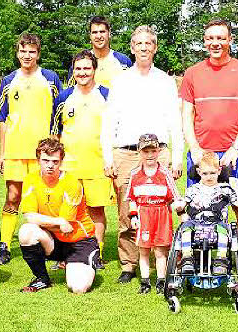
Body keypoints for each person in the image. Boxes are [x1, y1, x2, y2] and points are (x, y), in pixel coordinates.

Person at [100, 25, 184, 284]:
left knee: (161, 208)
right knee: (128, 211)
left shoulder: (165, 81)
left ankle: (164, 260)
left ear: (155, 47)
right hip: (126, 153)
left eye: (149, 44)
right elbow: (109, 121)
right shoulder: (121, 81)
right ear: (132, 48)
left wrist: (177, 156)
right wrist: (107, 157)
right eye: (139, 44)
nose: (144, 48)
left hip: (158, 152)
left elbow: (174, 120)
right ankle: (129, 264)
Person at [179, 18, 238, 269]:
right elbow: (186, 114)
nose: (216, 43)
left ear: (229, 40)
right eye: (211, 38)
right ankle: (195, 259)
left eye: (221, 38)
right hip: (202, 153)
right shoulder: (193, 73)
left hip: (236, 152)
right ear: (205, 42)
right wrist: (193, 149)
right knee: (196, 208)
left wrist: (236, 147)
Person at [0, 33, 62, 265]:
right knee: (13, 196)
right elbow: (2, 118)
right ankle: (4, 245)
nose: (27, 55)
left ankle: (52, 244)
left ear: (38, 54)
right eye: (23, 51)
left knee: (48, 198)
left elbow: (58, 114)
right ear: (17, 53)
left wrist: (55, 148)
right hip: (15, 149)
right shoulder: (9, 80)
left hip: (43, 152)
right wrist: (1, 152)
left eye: (32, 51)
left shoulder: (50, 78)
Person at [18, 138, 101, 294]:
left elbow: (66, 227)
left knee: (78, 288)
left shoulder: (72, 183)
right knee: (26, 231)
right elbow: (29, 216)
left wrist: (54, 222)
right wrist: (57, 221)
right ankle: (42, 279)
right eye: (45, 160)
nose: (50, 165)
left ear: (61, 161)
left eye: (55, 161)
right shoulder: (30, 179)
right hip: (55, 240)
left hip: (79, 241)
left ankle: (85, 261)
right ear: (38, 160)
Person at [54, 51, 113, 257]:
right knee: (68, 210)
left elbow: (115, 129)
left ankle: (96, 253)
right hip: (70, 166)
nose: (83, 72)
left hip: (98, 164)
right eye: (78, 69)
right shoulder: (63, 97)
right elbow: (55, 133)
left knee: (96, 211)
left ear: (94, 70)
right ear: (73, 71)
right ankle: (66, 253)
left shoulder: (107, 95)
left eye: (87, 68)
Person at [173, 152, 238, 276]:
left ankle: (221, 259)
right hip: (196, 223)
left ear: (219, 171)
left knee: (223, 229)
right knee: (185, 228)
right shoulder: (193, 189)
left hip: (217, 222)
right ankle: (187, 258)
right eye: (205, 173)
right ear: (199, 172)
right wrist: (179, 205)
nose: (209, 177)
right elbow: (182, 205)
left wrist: (235, 187)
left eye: (212, 173)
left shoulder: (225, 189)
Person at [126, 133, 179, 295]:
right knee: (143, 250)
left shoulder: (165, 174)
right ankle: (145, 281)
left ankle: (161, 281)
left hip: (162, 215)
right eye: (145, 151)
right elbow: (131, 198)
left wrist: (182, 211)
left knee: (160, 251)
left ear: (158, 151)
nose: (150, 155)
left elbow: (175, 197)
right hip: (144, 216)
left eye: (153, 151)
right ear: (139, 152)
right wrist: (134, 216)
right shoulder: (135, 174)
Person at [82, 15, 132, 88]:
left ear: (109, 33)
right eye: (94, 32)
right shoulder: (81, 62)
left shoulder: (123, 61)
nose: (99, 36)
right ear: (90, 36)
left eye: (102, 32)